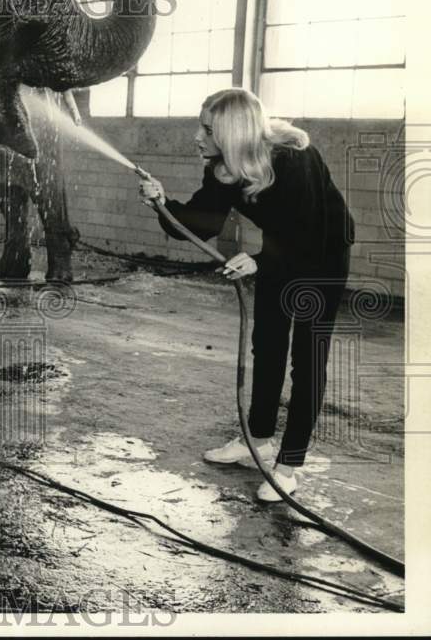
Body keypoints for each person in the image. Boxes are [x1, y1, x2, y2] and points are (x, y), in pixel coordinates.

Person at [138, 88, 355, 502]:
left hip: (323, 252)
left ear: (233, 132)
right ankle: (258, 440)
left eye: (207, 130)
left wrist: (259, 261)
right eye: (200, 127)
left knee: (307, 358)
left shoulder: (294, 157)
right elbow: (200, 224)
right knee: (268, 344)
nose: (197, 137)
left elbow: (310, 233)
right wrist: (161, 204)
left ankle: (288, 466)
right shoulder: (223, 168)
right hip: (279, 250)